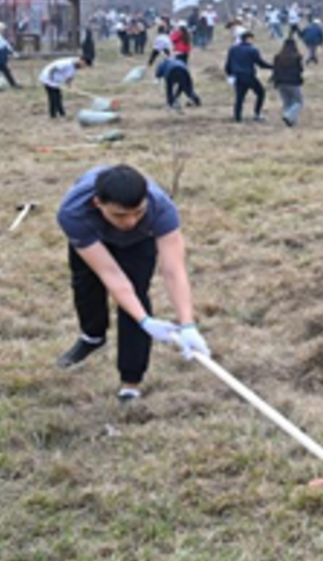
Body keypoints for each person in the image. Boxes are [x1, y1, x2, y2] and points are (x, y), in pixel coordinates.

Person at [54, 164, 209, 403]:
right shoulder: (73, 213)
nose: (130, 222)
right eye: (120, 215)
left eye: (138, 212)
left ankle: (131, 381)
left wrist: (187, 324)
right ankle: (92, 336)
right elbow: (110, 273)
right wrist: (145, 321)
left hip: (139, 243)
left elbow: (174, 270)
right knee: (86, 287)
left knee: (135, 298)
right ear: (98, 203)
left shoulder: (161, 209)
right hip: (92, 236)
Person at [224, 29, 273, 122]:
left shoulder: (233, 49)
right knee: (261, 93)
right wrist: (273, 67)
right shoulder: (253, 50)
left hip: (237, 76)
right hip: (249, 76)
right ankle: (257, 114)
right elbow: (261, 64)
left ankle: (237, 117)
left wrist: (230, 75)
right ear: (248, 39)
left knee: (239, 97)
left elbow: (228, 65)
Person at [271, 36, 306, 127]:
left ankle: (291, 122)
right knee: (298, 102)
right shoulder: (297, 57)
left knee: (287, 103)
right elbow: (300, 70)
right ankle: (288, 116)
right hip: (293, 82)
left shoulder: (277, 57)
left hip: (280, 82)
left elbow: (275, 70)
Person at [0, 24, 22, 89]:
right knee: (0, 72)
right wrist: (13, 53)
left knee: (5, 71)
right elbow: (5, 46)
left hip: (0, 58)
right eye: (2, 29)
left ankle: (13, 84)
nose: (3, 30)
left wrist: (13, 53)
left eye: (3, 29)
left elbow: (7, 46)